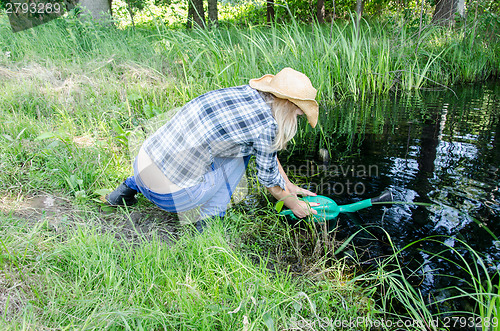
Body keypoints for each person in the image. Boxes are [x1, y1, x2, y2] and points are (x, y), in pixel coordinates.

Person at [106, 67, 320, 232]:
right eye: (299, 113)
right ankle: (209, 223)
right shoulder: (267, 127)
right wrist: (294, 205)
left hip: (142, 166)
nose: (298, 118)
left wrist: (288, 184)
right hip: (171, 197)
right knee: (243, 155)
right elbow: (268, 181)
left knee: (191, 148)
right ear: (289, 106)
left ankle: (124, 191)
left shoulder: (242, 93)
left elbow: (266, 152)